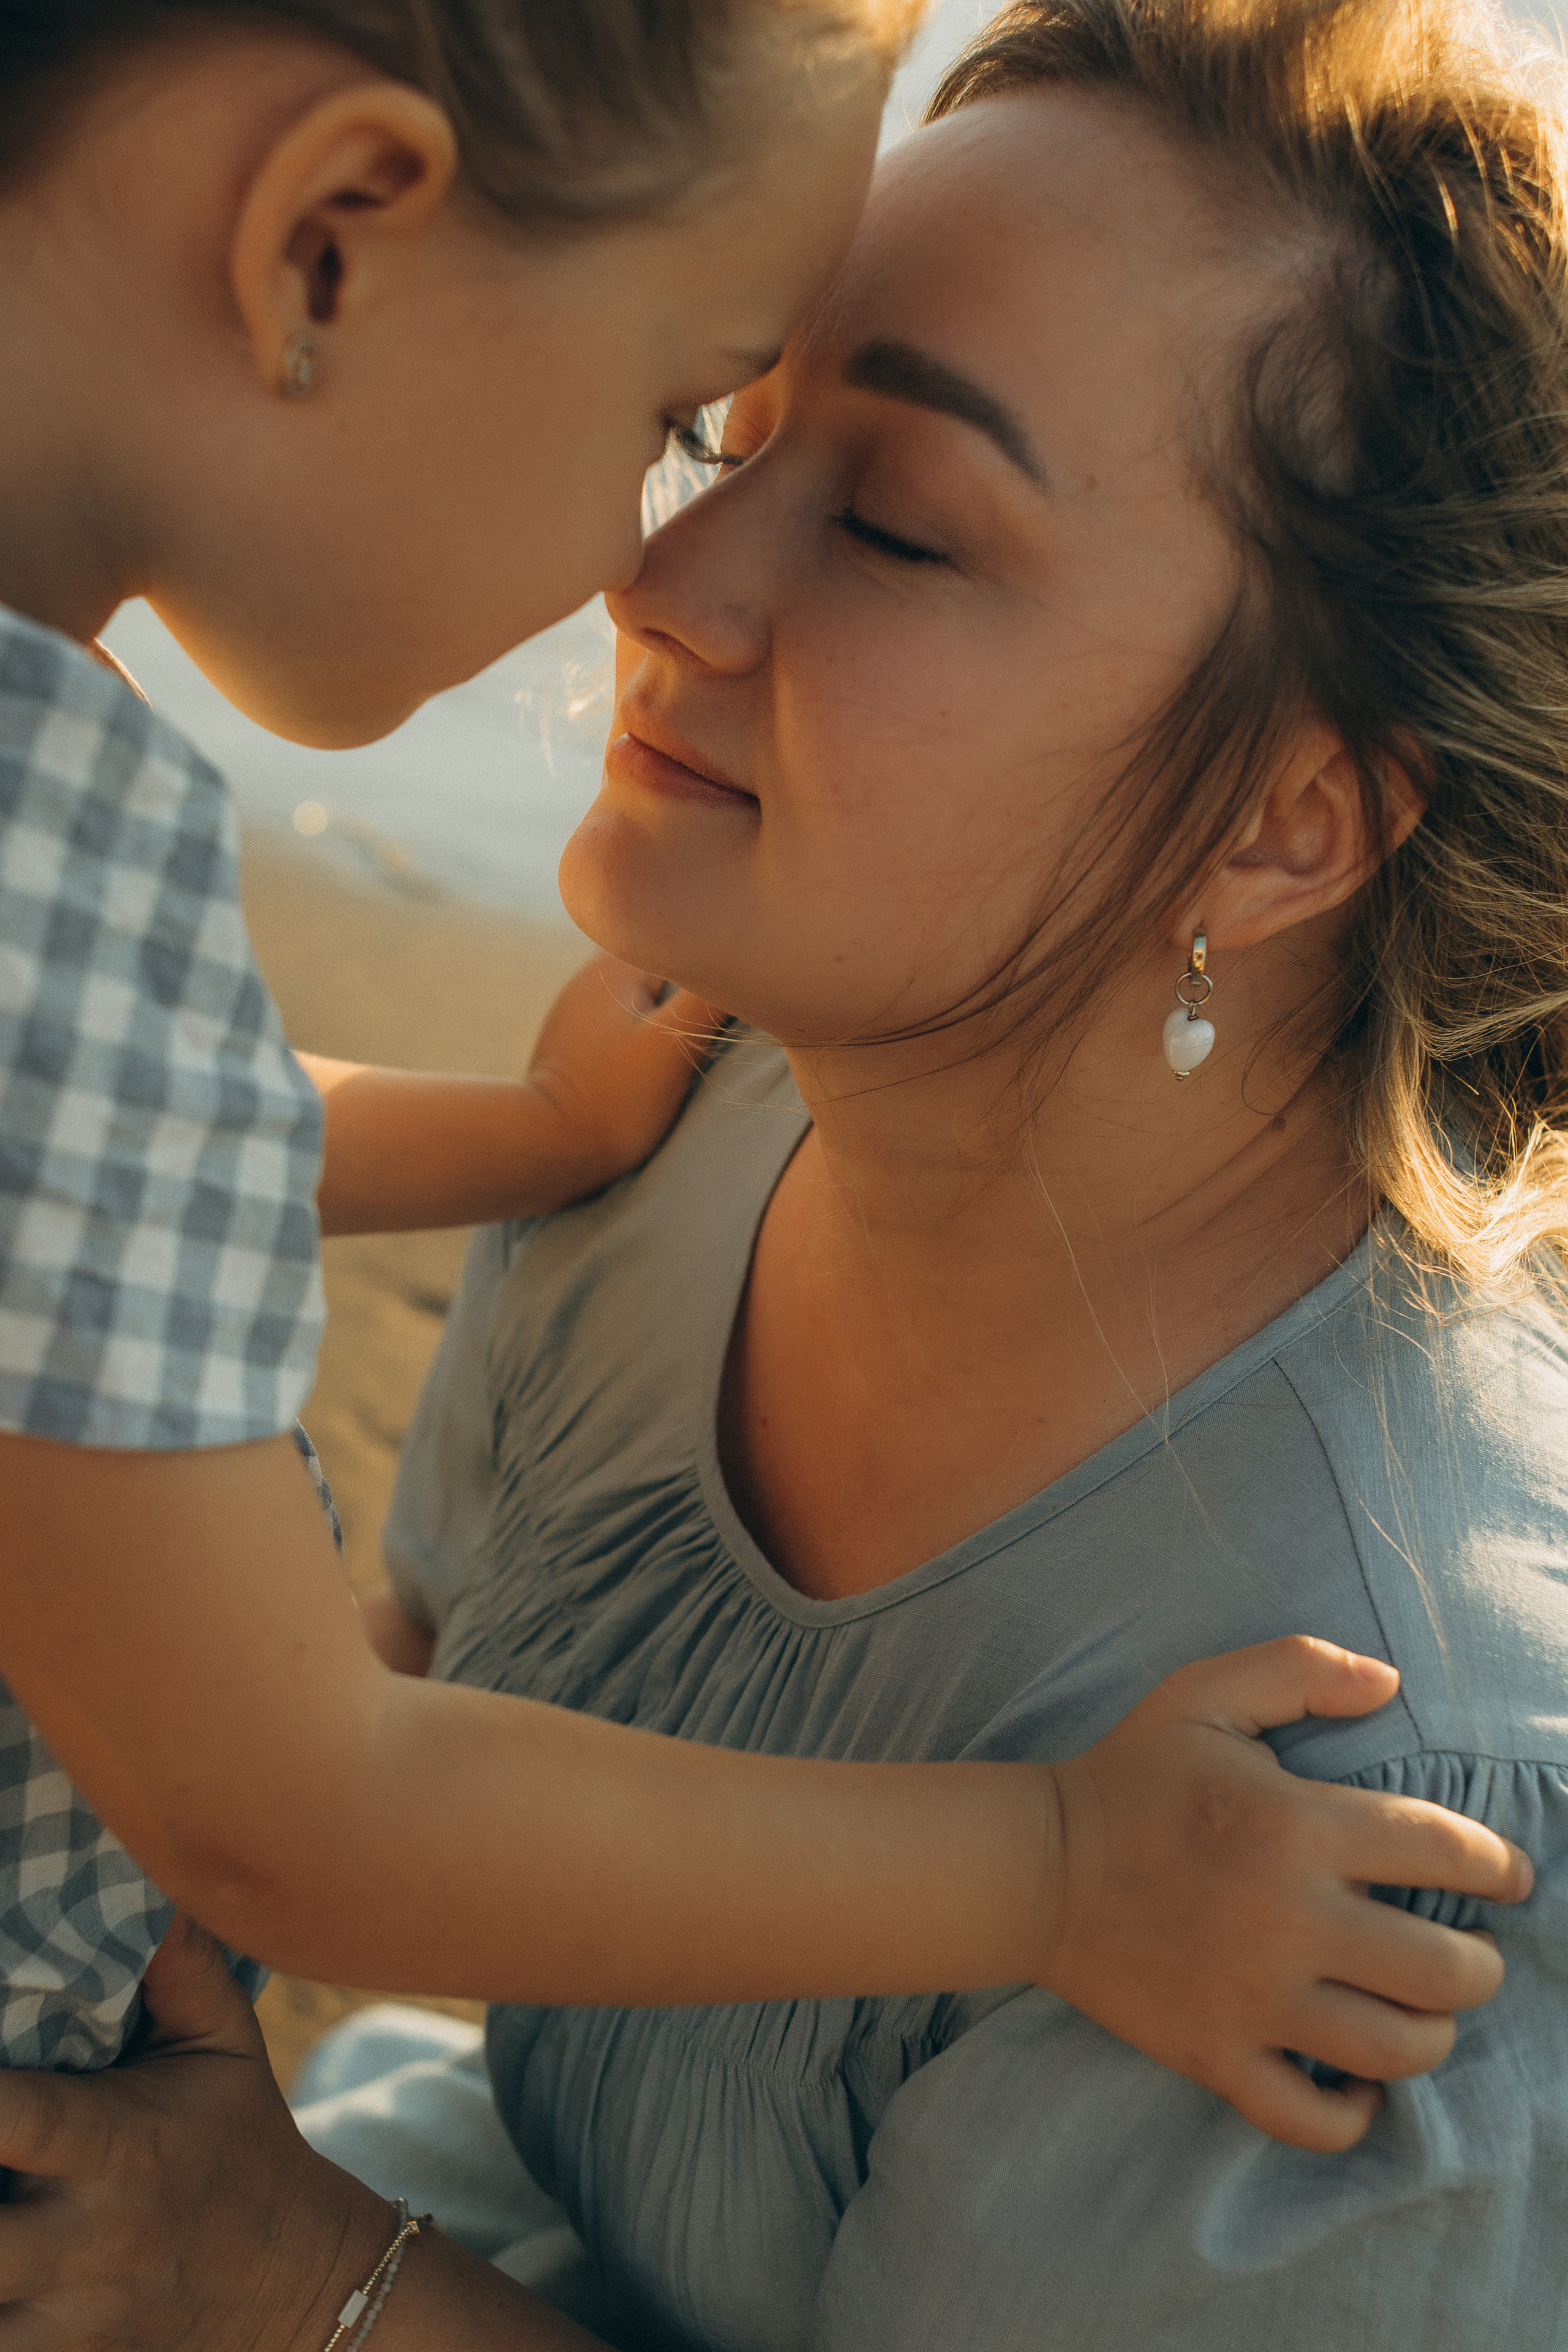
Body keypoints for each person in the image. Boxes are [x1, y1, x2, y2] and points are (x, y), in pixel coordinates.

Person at [2, 0, 1564, 2343]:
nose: (666, 577)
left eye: (901, 525)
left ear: (1289, 822)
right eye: (719, 428)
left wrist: (278, 2268)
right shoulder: (696, 1117)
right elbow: (329, 1771)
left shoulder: (1373, 1821)